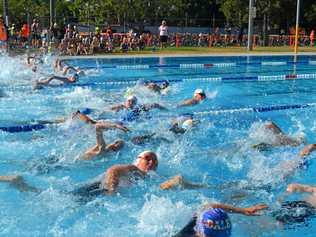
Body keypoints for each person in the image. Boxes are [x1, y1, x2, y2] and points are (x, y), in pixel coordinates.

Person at [0, 151, 158, 196]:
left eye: (154, 162)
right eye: (148, 158)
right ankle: (17, 181)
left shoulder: (145, 177)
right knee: (55, 198)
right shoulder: (135, 169)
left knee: (47, 194)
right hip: (95, 188)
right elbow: (113, 170)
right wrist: (111, 190)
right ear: (137, 160)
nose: (151, 162)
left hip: (94, 188)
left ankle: (19, 183)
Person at [173, 202, 267, 237]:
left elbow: (210, 206)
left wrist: (243, 211)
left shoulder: (200, 220)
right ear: (200, 232)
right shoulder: (186, 232)